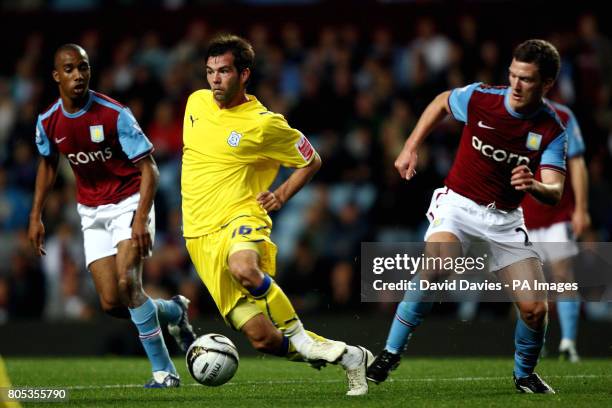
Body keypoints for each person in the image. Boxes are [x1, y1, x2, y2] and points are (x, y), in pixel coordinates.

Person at [366, 39, 567, 394]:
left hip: (505, 220)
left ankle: (524, 376)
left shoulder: (551, 130)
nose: (516, 86)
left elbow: (554, 190)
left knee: (535, 309)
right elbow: (441, 101)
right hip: (458, 205)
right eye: (513, 75)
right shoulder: (481, 98)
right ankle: (391, 351)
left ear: (547, 83)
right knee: (438, 264)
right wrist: (411, 145)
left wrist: (534, 185)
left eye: (527, 79)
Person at [181, 34, 371, 396]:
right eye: (210, 72)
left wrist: (282, 193)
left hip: (241, 216)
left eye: (223, 71)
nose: (215, 80)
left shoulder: (265, 123)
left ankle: (303, 337)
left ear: (244, 74)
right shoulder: (195, 103)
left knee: (244, 269)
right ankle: (348, 356)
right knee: (264, 339)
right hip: (197, 236)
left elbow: (311, 159)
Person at [28, 44, 196, 388]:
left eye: (84, 68)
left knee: (127, 283)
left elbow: (150, 169)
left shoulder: (114, 113)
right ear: (57, 76)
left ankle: (165, 372)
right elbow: (47, 164)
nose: (79, 75)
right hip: (91, 212)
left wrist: (139, 218)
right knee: (111, 302)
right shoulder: (48, 121)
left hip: (129, 202)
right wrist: (36, 215)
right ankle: (172, 311)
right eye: (71, 69)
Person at [521, 101, 589, 363]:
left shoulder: (563, 116)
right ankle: (533, 346)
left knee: (562, 274)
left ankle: (568, 343)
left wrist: (581, 208)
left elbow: (577, 162)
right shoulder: (510, 112)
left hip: (557, 212)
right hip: (523, 215)